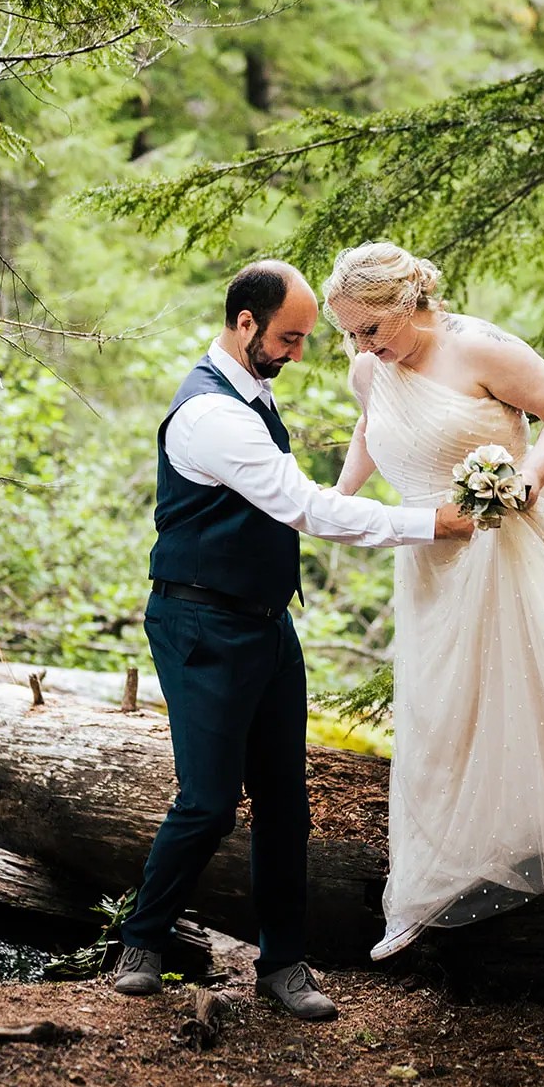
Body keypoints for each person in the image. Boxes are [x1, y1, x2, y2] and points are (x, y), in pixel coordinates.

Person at [112, 260, 472, 1018]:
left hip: (267, 625)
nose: (299, 354)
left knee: (285, 803)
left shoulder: (252, 388)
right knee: (208, 801)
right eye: (290, 337)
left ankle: (283, 967)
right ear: (245, 323)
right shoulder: (212, 414)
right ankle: (141, 939)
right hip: (201, 624)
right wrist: (427, 524)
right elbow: (300, 507)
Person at [323, 242, 544, 960]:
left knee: (515, 683)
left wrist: (526, 481)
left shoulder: (479, 349)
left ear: (408, 305)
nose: (359, 347)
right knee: (445, 703)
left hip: (506, 534)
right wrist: (338, 497)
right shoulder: (369, 368)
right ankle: (451, 856)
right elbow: (371, 425)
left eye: (370, 330)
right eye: (349, 334)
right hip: (431, 553)